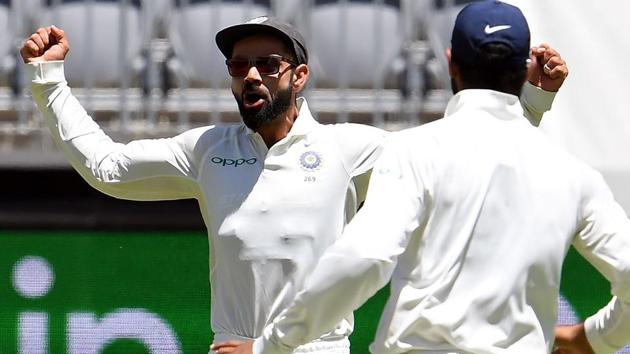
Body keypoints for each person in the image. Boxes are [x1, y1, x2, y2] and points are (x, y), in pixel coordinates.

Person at [21, 14, 567, 354]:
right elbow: (109, 169)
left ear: (298, 76)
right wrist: (48, 80)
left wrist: (532, 101)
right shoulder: (207, 149)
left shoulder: (347, 149)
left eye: (268, 63)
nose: (252, 75)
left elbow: (461, 160)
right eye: (239, 65)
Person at [212, 2, 630, 354]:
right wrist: (596, 338)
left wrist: (272, 343)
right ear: (522, 68)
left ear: (451, 63)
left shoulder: (414, 152)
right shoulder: (573, 174)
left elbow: (364, 260)